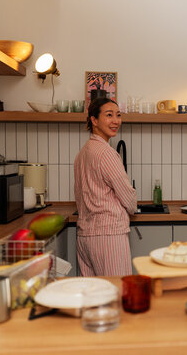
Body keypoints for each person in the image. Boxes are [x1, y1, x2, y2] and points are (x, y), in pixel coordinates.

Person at [74, 97, 137, 276]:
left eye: (118, 115)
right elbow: (129, 198)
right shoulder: (107, 154)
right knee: (116, 293)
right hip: (108, 235)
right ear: (94, 120)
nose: (116, 121)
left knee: (94, 296)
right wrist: (133, 208)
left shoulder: (82, 153)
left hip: (85, 236)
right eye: (109, 115)